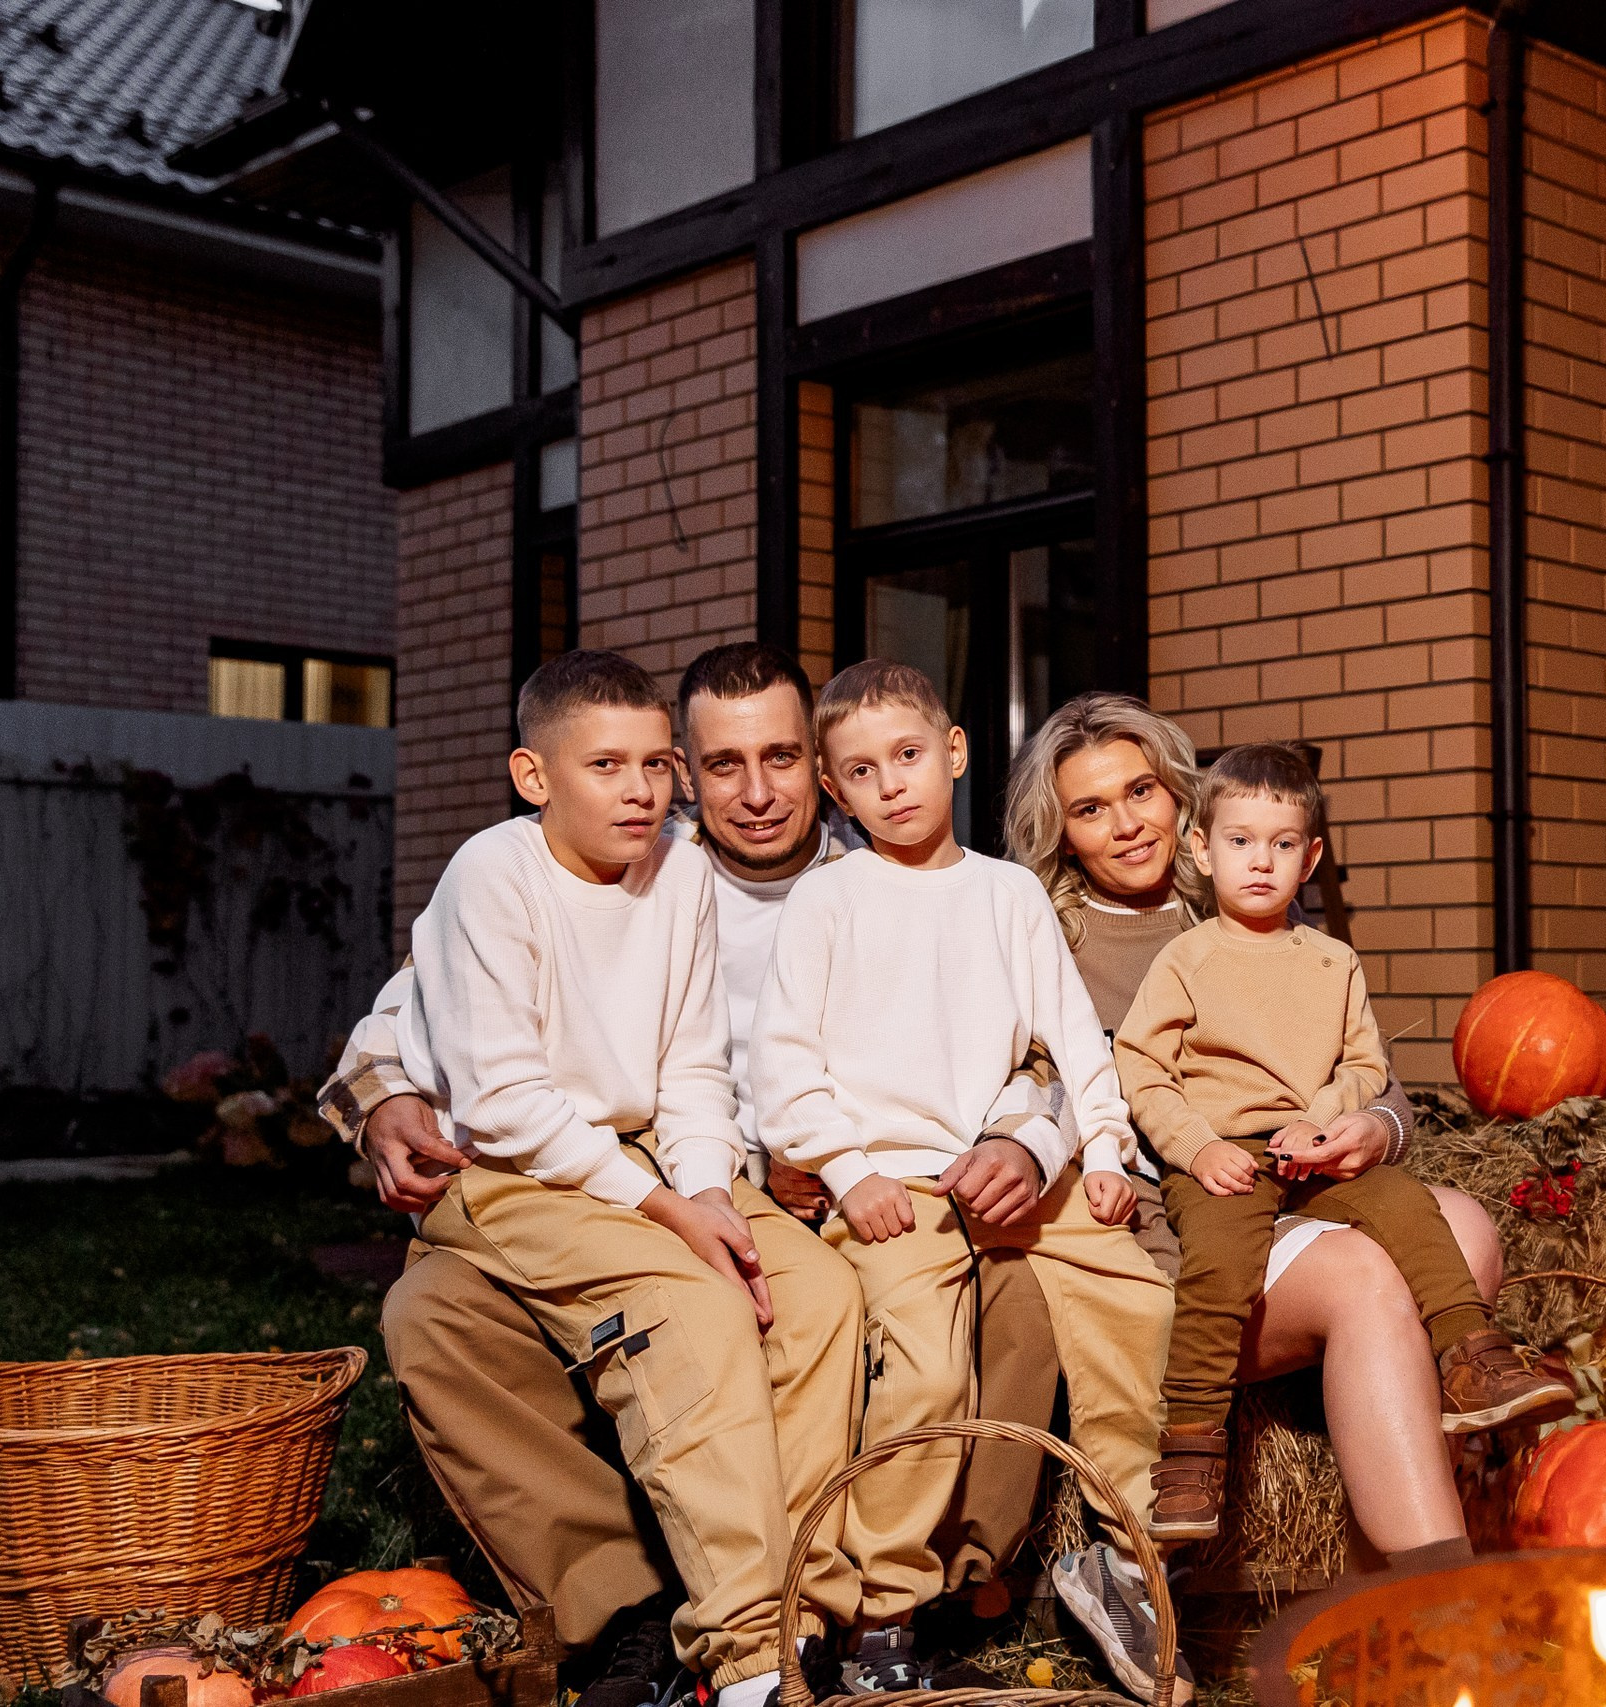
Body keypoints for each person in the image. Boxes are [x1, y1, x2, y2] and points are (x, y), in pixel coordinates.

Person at [321, 644, 1065, 1704]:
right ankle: (624, 1607)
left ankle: (876, 1602)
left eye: (782, 758)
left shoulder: (904, 865)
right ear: (689, 769)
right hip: (607, 1174)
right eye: (720, 765)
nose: (754, 793)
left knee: (927, 1298)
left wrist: (1017, 1140)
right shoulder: (632, 853)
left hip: (809, 1187)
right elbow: (418, 1019)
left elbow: (1038, 1045)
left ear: (825, 763)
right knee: (432, 1314)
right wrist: (387, 1100)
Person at [386, 649, 861, 1707]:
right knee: (689, 1302)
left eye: (654, 765)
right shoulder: (491, 876)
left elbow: (691, 1064)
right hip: (504, 1171)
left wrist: (701, 1194)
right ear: (533, 776)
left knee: (817, 1297)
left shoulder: (678, 866)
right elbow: (502, 1102)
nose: (641, 790)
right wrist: (666, 1216)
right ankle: (745, 1663)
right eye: (606, 766)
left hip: (646, 1156)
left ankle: (803, 1613)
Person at [1000, 693, 1511, 1582]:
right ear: (1061, 831)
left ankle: (1364, 1586)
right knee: (1365, 1280)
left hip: (1298, 1187)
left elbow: (1369, 1069)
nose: (1125, 825)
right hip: (1179, 1235)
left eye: (1142, 791)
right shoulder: (1050, 944)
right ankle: (1440, 1593)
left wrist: (1370, 1126)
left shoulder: (1240, 895)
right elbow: (1034, 1101)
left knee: (1466, 1228)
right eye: (1090, 809)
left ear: (1184, 803)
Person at [749, 661, 1181, 1701]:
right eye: (860, 770)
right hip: (887, 1185)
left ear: (952, 754)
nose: (891, 784)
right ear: (833, 788)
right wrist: (846, 1171)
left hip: (1005, 1173)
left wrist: (1110, 1153)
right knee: (928, 1373)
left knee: (1140, 1300)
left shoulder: (1009, 892)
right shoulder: (826, 899)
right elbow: (781, 1070)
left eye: (907, 757)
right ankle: (881, 1608)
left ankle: (1130, 1551)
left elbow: (1075, 1042)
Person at [1117, 743, 1570, 1541]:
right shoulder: (1185, 959)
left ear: (1311, 855)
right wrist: (1194, 1148)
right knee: (1221, 1259)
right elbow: (1142, 1069)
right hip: (1221, 1152)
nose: (1260, 863)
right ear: (1201, 847)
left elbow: (1364, 1062)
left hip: (1310, 1149)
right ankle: (1190, 1448)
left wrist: (1329, 1119)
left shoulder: (1333, 961)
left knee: (1407, 1203)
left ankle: (1473, 1353)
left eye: (1282, 844)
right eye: (1239, 841)